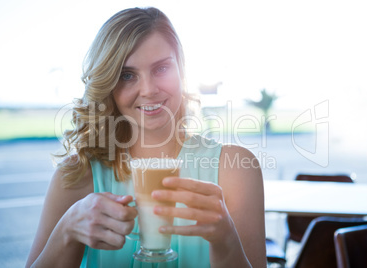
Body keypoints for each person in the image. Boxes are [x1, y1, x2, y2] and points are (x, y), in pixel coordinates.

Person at [26, 7, 266, 268]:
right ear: (108, 86)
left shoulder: (235, 169)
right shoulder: (76, 176)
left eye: (161, 68)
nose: (149, 90)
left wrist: (226, 239)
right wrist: (66, 231)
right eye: (127, 75)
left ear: (182, 70)